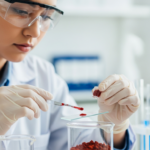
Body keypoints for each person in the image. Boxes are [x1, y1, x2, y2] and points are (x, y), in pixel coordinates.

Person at [0, 0, 140, 149]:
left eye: (46, 17)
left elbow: (79, 141)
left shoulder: (43, 75)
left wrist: (112, 127)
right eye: (22, 11)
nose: (35, 31)